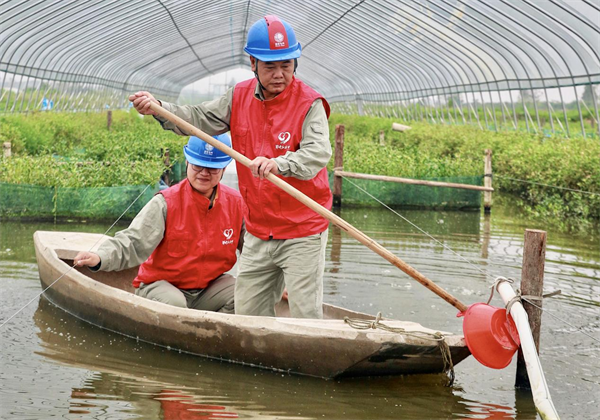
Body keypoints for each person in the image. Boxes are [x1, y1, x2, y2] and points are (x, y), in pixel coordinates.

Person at [129, 15, 331, 319]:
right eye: (270, 66)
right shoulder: (238, 97)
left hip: (303, 228)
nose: (279, 74)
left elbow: (318, 153)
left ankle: (309, 360)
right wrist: (160, 108)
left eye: (286, 65)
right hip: (259, 230)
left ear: (295, 63)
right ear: (253, 63)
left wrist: (279, 163)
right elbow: (197, 119)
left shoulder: (309, 103)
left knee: (305, 316)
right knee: (248, 313)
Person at [74, 134, 245, 314]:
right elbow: (132, 242)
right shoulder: (165, 203)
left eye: (212, 168)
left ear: (224, 169)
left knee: (248, 294)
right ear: (187, 162)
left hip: (207, 289)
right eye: (197, 165)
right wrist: (100, 257)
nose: (203, 172)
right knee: (176, 304)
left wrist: (277, 283)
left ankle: (211, 335)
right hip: (162, 287)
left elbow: (256, 251)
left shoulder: (237, 203)